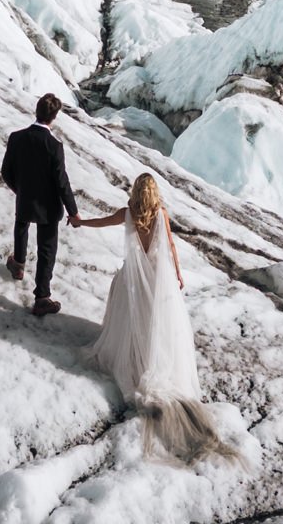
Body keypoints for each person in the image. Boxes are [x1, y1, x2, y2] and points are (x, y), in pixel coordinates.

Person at [73, 172, 238, 463]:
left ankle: (135, 355)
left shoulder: (127, 214)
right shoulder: (160, 214)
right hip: (157, 279)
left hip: (135, 280)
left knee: (131, 319)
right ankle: (152, 359)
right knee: (157, 324)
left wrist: (80, 221)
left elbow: (101, 222)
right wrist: (177, 274)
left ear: (136, 192)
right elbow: (171, 247)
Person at [0, 92, 79, 317]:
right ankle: (42, 297)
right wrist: (73, 212)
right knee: (46, 249)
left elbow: (6, 171)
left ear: (36, 111)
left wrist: (20, 190)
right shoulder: (54, 146)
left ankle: (18, 265)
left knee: (21, 225)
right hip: (48, 207)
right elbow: (62, 182)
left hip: (25, 199)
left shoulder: (16, 137)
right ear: (54, 117)